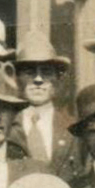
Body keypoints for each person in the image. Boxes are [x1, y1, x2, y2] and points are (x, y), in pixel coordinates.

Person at [11, 32, 77, 172]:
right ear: (17, 78)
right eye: (30, 72)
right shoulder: (7, 126)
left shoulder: (73, 129)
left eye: (46, 72)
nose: (38, 80)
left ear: (57, 79)